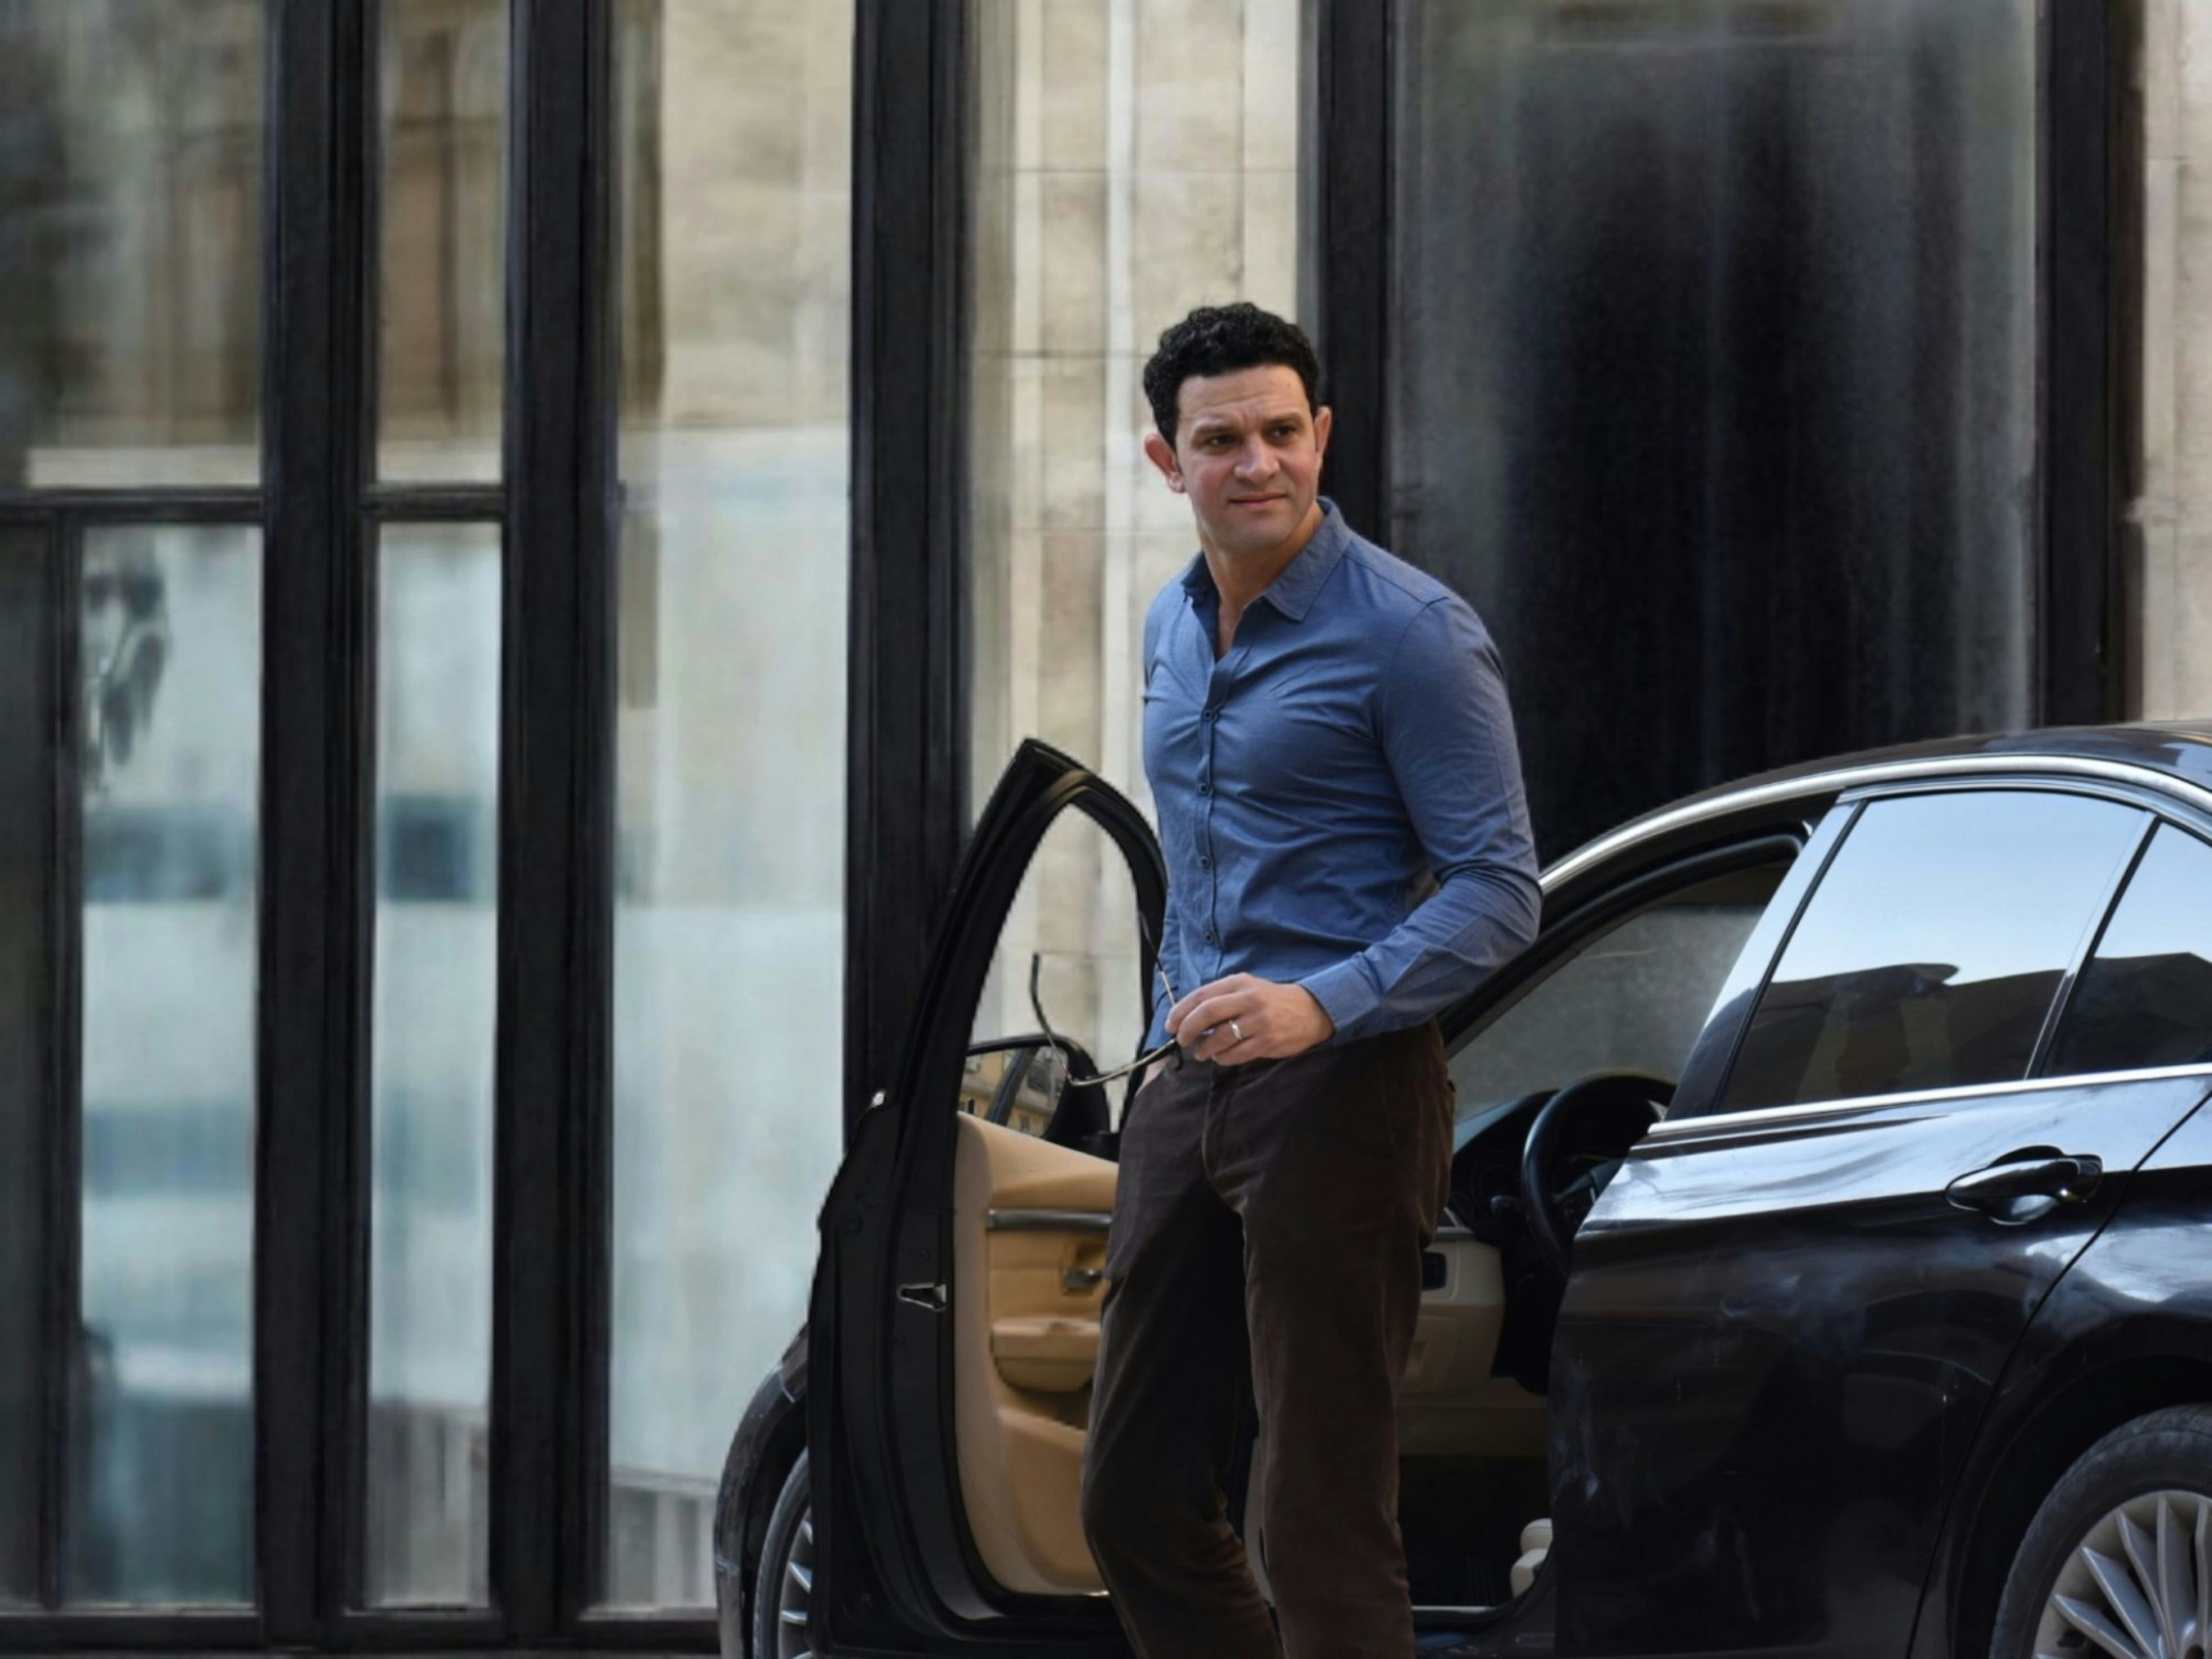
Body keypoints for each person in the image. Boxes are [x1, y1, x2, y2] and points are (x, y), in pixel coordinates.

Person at [1077, 302, 1542, 1658]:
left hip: (1342, 1088)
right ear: (1169, 462)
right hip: (1188, 1088)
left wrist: (1317, 1000)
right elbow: (1199, 852)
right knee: (1130, 1495)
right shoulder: (1172, 624)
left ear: (1323, 433)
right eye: (1221, 439)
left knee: (1319, 1514)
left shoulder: (1412, 634)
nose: (1259, 462)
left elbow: (1501, 889)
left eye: (1284, 431)